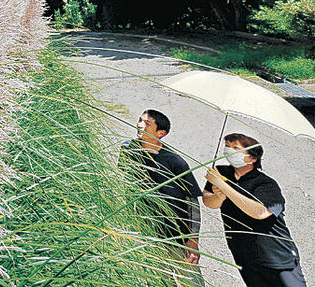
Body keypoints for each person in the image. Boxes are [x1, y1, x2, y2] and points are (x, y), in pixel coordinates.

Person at [204, 132, 307, 287]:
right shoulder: (221, 172)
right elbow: (208, 201)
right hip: (244, 256)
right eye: (227, 146)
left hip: (277, 258)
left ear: (253, 158)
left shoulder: (265, 184)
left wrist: (224, 186)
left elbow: (260, 212)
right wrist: (219, 197)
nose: (229, 151)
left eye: (236, 148)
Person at [120, 109, 203, 285]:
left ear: (161, 133)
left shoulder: (176, 162)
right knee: (158, 282)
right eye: (140, 120)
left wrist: (193, 240)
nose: (139, 125)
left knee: (191, 282)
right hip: (144, 233)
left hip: (176, 235)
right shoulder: (128, 150)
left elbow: (192, 202)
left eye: (146, 123)